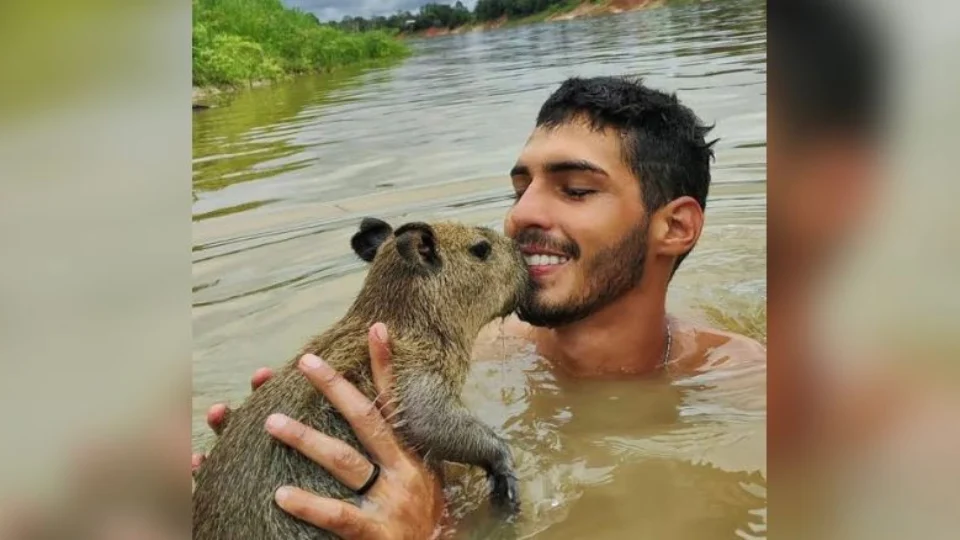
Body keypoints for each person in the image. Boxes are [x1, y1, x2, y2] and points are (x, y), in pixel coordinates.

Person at [192, 75, 766, 538]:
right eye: (520, 190)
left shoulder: (758, 392)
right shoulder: (474, 353)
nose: (521, 217)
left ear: (677, 227)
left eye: (575, 189)